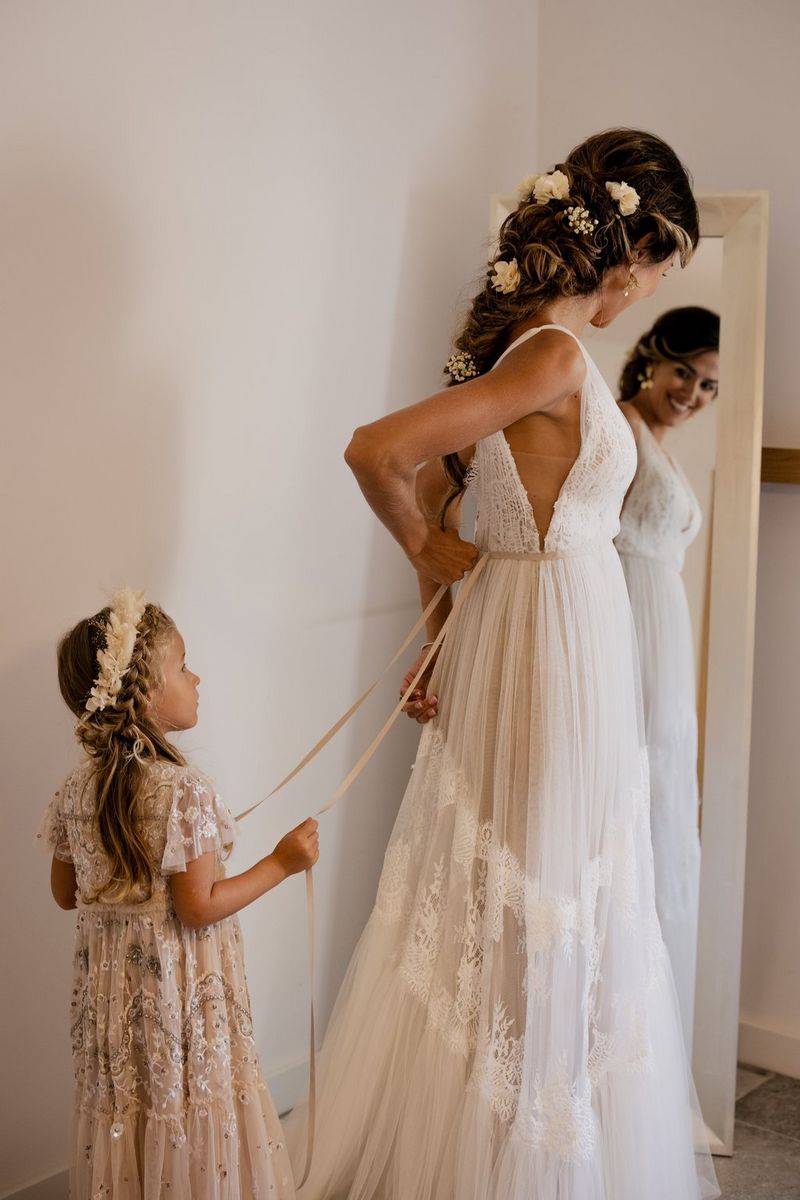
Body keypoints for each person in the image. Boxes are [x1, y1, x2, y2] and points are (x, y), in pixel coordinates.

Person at [286, 128, 720, 1200]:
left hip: (547, 641)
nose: (657, 288)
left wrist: (441, 612)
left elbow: (454, 489)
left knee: (543, 893)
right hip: (549, 651)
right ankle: (515, 1155)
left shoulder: (525, 353)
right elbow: (379, 452)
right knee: (539, 899)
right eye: (666, 269)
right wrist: (426, 559)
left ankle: (525, 1134)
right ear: (636, 250)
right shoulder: (553, 356)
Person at [39, 588, 319, 1199]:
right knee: (186, 1106)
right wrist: (281, 861)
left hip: (115, 1006)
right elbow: (198, 908)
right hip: (178, 1000)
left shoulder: (74, 791)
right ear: (142, 692)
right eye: (183, 664)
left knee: (132, 1115)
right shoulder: (183, 792)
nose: (197, 676)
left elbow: (66, 893)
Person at [615, 307, 720, 1053]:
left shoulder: (667, 447)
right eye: (684, 370)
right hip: (624, 626)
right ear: (652, 358)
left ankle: (644, 1020)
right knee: (626, 791)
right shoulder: (620, 427)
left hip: (666, 641)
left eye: (709, 384)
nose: (692, 392)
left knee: (660, 792)